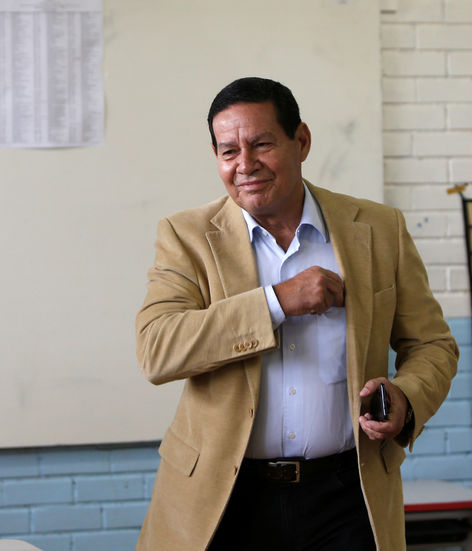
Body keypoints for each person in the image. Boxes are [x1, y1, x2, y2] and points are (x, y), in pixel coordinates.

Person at [135, 77, 459, 551]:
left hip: (348, 495)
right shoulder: (185, 236)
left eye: (261, 144)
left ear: (301, 141)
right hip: (225, 498)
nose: (245, 165)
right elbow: (157, 349)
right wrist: (277, 301)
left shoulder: (378, 228)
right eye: (228, 152)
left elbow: (432, 344)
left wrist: (406, 397)